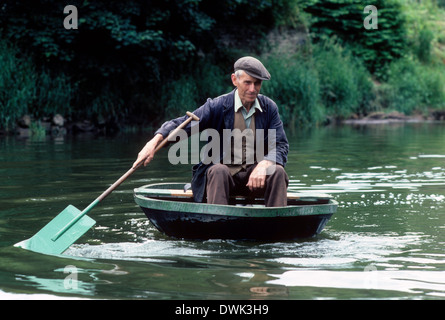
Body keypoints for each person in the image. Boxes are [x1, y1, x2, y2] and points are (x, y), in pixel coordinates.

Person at [133, 56, 289, 207]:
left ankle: (276, 225)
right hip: (221, 180)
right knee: (218, 170)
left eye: (257, 83)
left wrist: (264, 163)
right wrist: (154, 141)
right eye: (247, 83)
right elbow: (182, 125)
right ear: (234, 79)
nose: (252, 89)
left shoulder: (269, 108)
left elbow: (281, 145)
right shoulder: (217, 106)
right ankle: (218, 225)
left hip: (255, 180)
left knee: (277, 171)